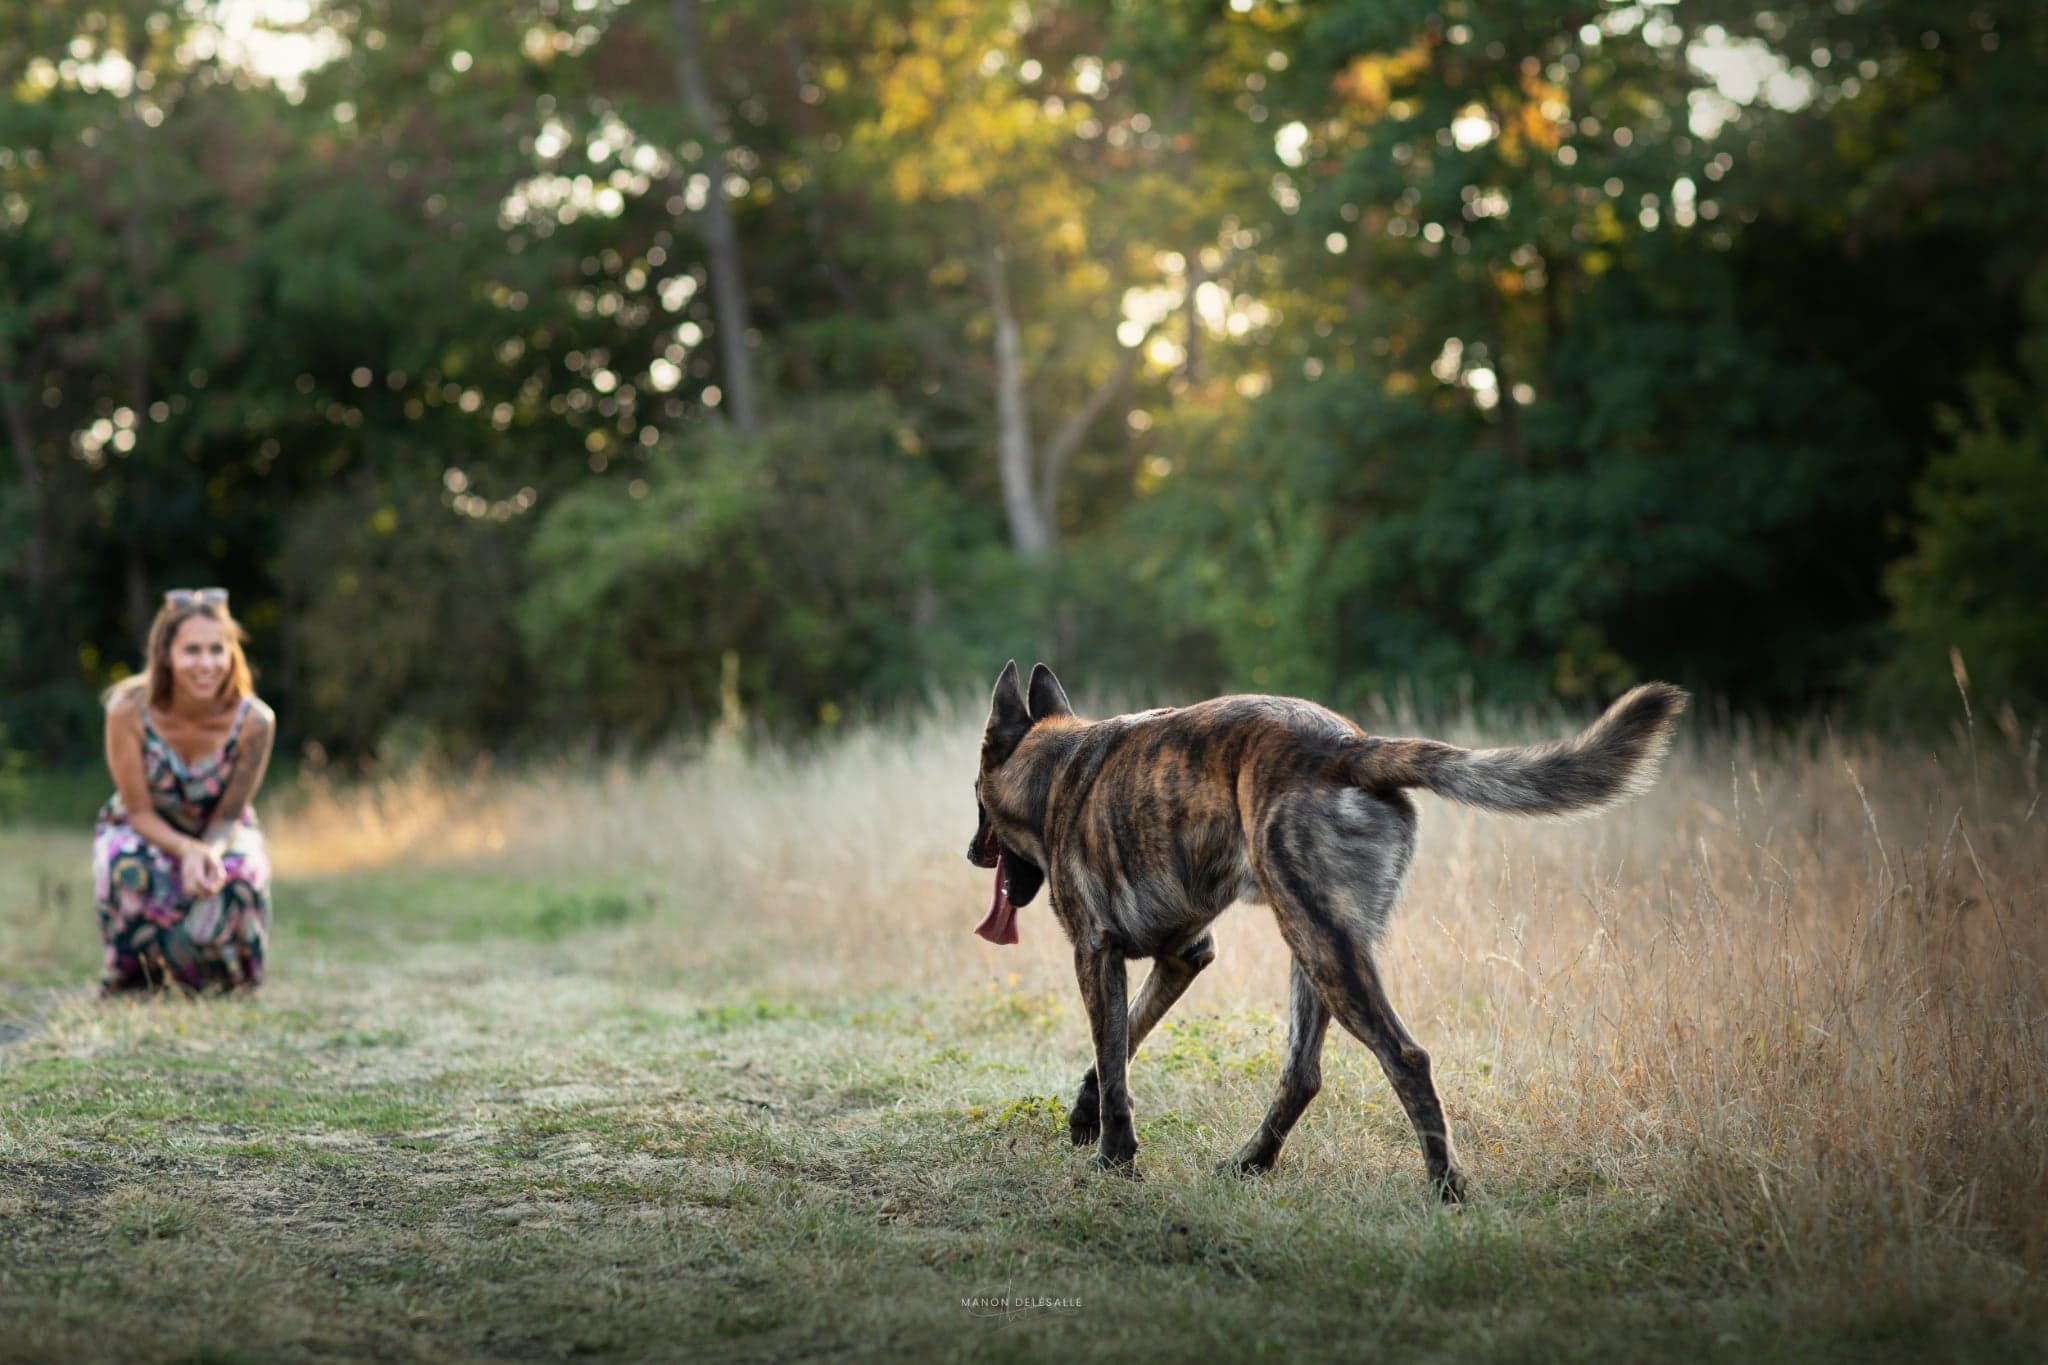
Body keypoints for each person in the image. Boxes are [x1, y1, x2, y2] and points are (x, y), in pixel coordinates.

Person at [93, 588, 276, 994]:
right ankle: (135, 981)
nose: (207, 664)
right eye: (192, 651)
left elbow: (230, 815)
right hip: (144, 825)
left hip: (218, 828)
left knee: (242, 873)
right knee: (128, 865)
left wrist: (207, 851)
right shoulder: (127, 709)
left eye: (217, 650)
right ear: (166, 655)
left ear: (232, 654)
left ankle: (225, 983)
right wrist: (185, 850)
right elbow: (138, 811)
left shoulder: (256, 721)